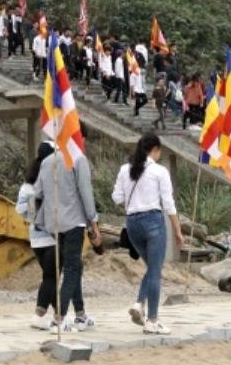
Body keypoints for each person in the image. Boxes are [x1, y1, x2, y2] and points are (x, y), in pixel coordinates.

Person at [111, 133, 184, 335]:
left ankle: (139, 303)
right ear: (155, 150)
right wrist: (177, 230)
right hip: (153, 221)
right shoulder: (159, 171)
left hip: (132, 223)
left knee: (152, 268)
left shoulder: (125, 169)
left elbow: (116, 197)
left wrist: (132, 207)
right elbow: (169, 204)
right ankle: (152, 319)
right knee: (155, 271)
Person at [34, 142, 101, 332]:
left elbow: (38, 191)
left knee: (75, 266)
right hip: (74, 221)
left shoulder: (47, 161)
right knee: (72, 269)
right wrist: (93, 222)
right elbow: (86, 193)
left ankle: (80, 315)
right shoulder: (78, 159)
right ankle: (59, 317)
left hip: (54, 223)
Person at [15, 145, 57, 330]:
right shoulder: (50, 182)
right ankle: (39, 315)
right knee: (51, 277)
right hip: (51, 237)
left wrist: (34, 215)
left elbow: (21, 210)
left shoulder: (27, 185)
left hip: (36, 238)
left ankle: (59, 315)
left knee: (52, 276)